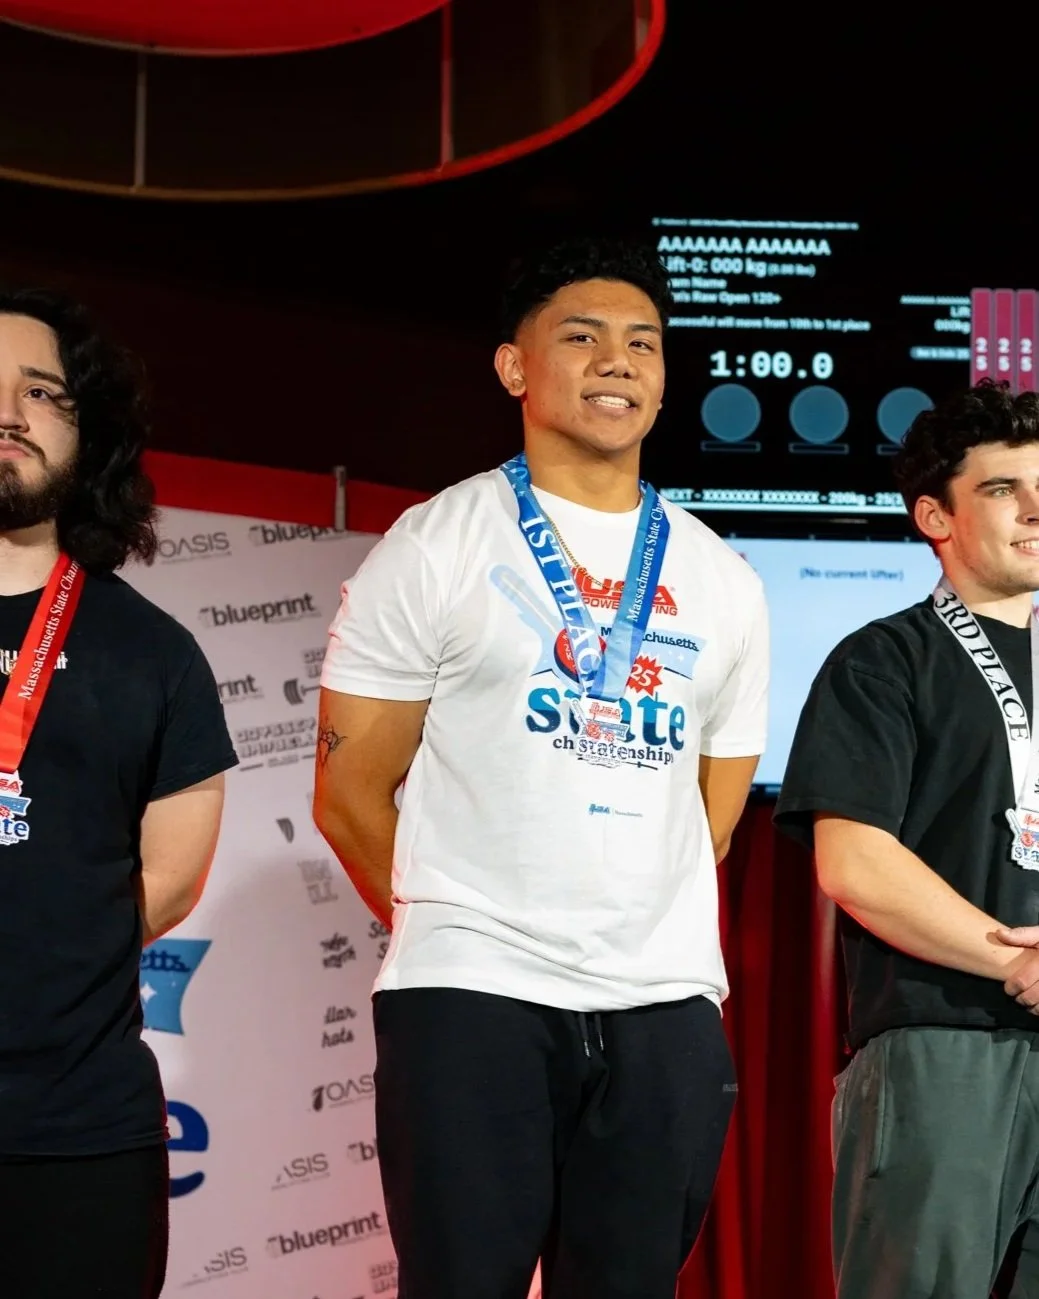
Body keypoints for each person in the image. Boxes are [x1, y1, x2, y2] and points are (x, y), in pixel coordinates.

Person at [315, 237, 770, 1299]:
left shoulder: (724, 579)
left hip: (661, 1003)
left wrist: (617, 927)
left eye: (642, 343)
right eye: (581, 337)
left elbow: (709, 819)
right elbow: (346, 793)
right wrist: (467, 924)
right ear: (515, 368)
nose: (617, 361)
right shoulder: (435, 543)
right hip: (472, 993)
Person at [775, 379, 1039, 1298]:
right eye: (1004, 488)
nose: (1036, 508)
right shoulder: (883, 661)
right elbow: (854, 864)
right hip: (942, 1049)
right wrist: (1018, 960)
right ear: (936, 514)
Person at [0, 287, 237, 1298]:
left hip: (78, 1139)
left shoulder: (153, 654)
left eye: (41, 391)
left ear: (85, 430)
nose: (8, 410)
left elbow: (168, 887)